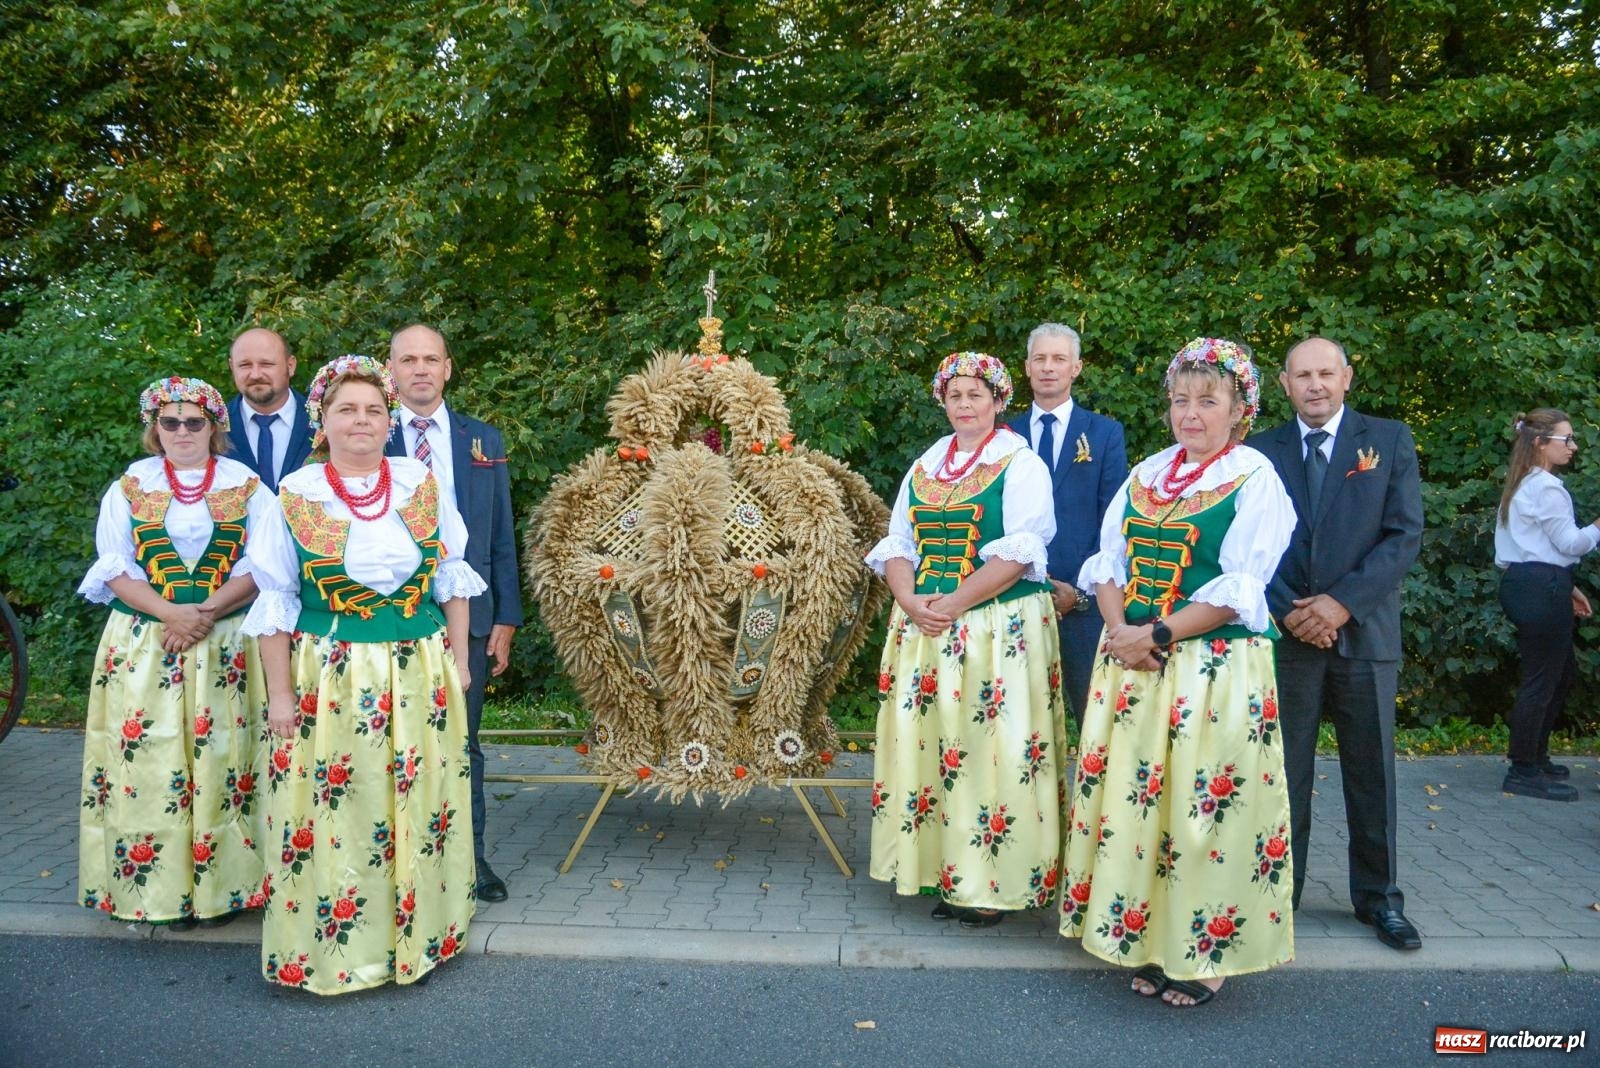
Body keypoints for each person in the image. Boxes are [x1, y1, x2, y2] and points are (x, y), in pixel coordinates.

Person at [1058, 338, 1295, 1007]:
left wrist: (1155, 633)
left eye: (1208, 401)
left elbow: (1240, 588)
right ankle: (1151, 938)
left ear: (1240, 409)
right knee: (1141, 809)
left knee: (1201, 811)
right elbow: (1108, 563)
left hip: (1211, 671)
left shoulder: (1255, 478)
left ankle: (1204, 955)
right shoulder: (1147, 474)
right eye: (1181, 400)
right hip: (1135, 662)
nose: (1190, 414)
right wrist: (1120, 632)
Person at [244, 355, 484, 993]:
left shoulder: (420, 485)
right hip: (333, 674)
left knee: (418, 804)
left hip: (419, 669)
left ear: (389, 421)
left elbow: (452, 580)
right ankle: (344, 949)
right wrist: (279, 698)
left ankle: (421, 937)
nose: (362, 421)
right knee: (339, 808)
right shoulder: (294, 497)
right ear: (322, 421)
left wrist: (460, 661)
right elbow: (275, 607)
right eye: (346, 410)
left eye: (374, 410)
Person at [866, 351, 1068, 929]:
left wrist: (954, 604)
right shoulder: (927, 466)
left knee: (991, 750)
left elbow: (1021, 551)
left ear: (999, 401)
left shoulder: (1019, 463)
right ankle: (944, 869)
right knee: (934, 748)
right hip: (928, 628)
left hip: (994, 629)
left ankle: (991, 884)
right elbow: (899, 539)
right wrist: (909, 601)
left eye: (976, 395)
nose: (964, 405)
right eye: (954, 395)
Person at [77, 376, 275, 929]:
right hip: (148, 642)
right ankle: (158, 892)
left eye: (195, 422)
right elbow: (114, 565)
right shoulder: (129, 486)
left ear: (214, 428)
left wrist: (204, 613)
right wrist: (173, 614)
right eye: (171, 422)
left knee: (225, 762)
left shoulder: (248, 485)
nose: (183, 432)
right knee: (152, 764)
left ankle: (225, 889)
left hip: (226, 641)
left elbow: (263, 564)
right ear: (154, 428)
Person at [1250, 336, 1424, 951]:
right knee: (1283, 774)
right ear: (1284, 383)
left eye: (1326, 373)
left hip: (1364, 637)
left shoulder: (1390, 440)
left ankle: (1378, 900)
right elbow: (1250, 546)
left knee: (1371, 773)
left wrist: (1339, 605)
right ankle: (1279, 901)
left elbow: (1402, 537)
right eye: (1303, 375)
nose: (1315, 385)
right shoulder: (1257, 452)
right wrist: (1294, 612)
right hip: (1287, 634)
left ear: (1347, 377)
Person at [386, 323, 523, 901]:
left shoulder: (482, 440)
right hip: (387, 618)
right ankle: (397, 865)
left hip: (471, 616)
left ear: (448, 368)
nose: (420, 369)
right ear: (389, 370)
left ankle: (471, 861)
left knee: (463, 744)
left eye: (431, 359)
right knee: (391, 742)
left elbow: (501, 537)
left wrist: (507, 618)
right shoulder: (364, 432)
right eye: (407, 359)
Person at [1008, 323, 1128, 727]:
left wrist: (1077, 592)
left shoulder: (1105, 433)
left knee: (1096, 722)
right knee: (1015, 721)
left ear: (1076, 367)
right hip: (1013, 596)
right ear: (1026, 367)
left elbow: (1113, 521)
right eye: (1039, 358)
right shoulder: (1003, 435)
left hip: (1085, 605)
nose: (1048, 367)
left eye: (1059, 359)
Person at [1493, 408, 1598, 802]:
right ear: (1540, 443)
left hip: (1532, 581)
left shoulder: (1524, 482)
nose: (1572, 447)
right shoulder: (1546, 487)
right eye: (1566, 440)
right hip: (1539, 585)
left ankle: (1534, 757)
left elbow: (1530, 547)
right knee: (1543, 677)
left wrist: (1566, 585)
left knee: (1559, 672)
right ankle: (1523, 769)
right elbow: (1571, 543)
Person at [226, 327, 314, 492]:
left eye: (266, 364)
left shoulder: (324, 425)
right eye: (245, 365)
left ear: (291, 366)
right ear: (232, 367)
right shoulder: (211, 427)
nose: (255, 374)